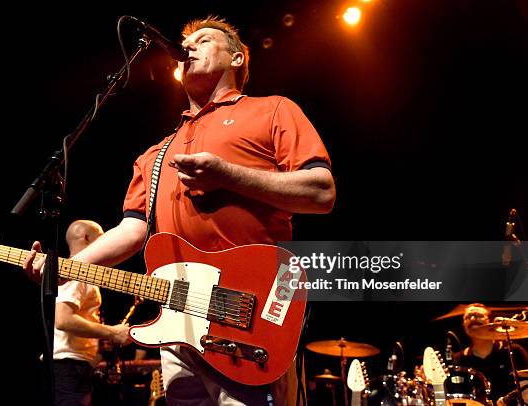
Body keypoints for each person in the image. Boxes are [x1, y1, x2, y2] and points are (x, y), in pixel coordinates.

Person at [24, 16, 335, 406]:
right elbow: (133, 230)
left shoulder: (273, 110)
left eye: (203, 40)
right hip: (179, 325)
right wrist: (64, 267)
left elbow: (321, 192)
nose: (188, 46)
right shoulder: (156, 154)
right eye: (185, 43)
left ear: (237, 58)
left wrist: (227, 175)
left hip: (252, 314)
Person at [53, 220, 130, 406]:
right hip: (69, 367)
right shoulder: (75, 273)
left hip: (75, 366)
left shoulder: (79, 273)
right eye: (102, 238)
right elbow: (62, 320)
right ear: (87, 238)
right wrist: (113, 332)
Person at [456, 303, 527, 406]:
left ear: (490, 321)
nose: (473, 318)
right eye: (468, 317)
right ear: (463, 325)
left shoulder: (513, 351)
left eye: (479, 315)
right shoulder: (459, 360)